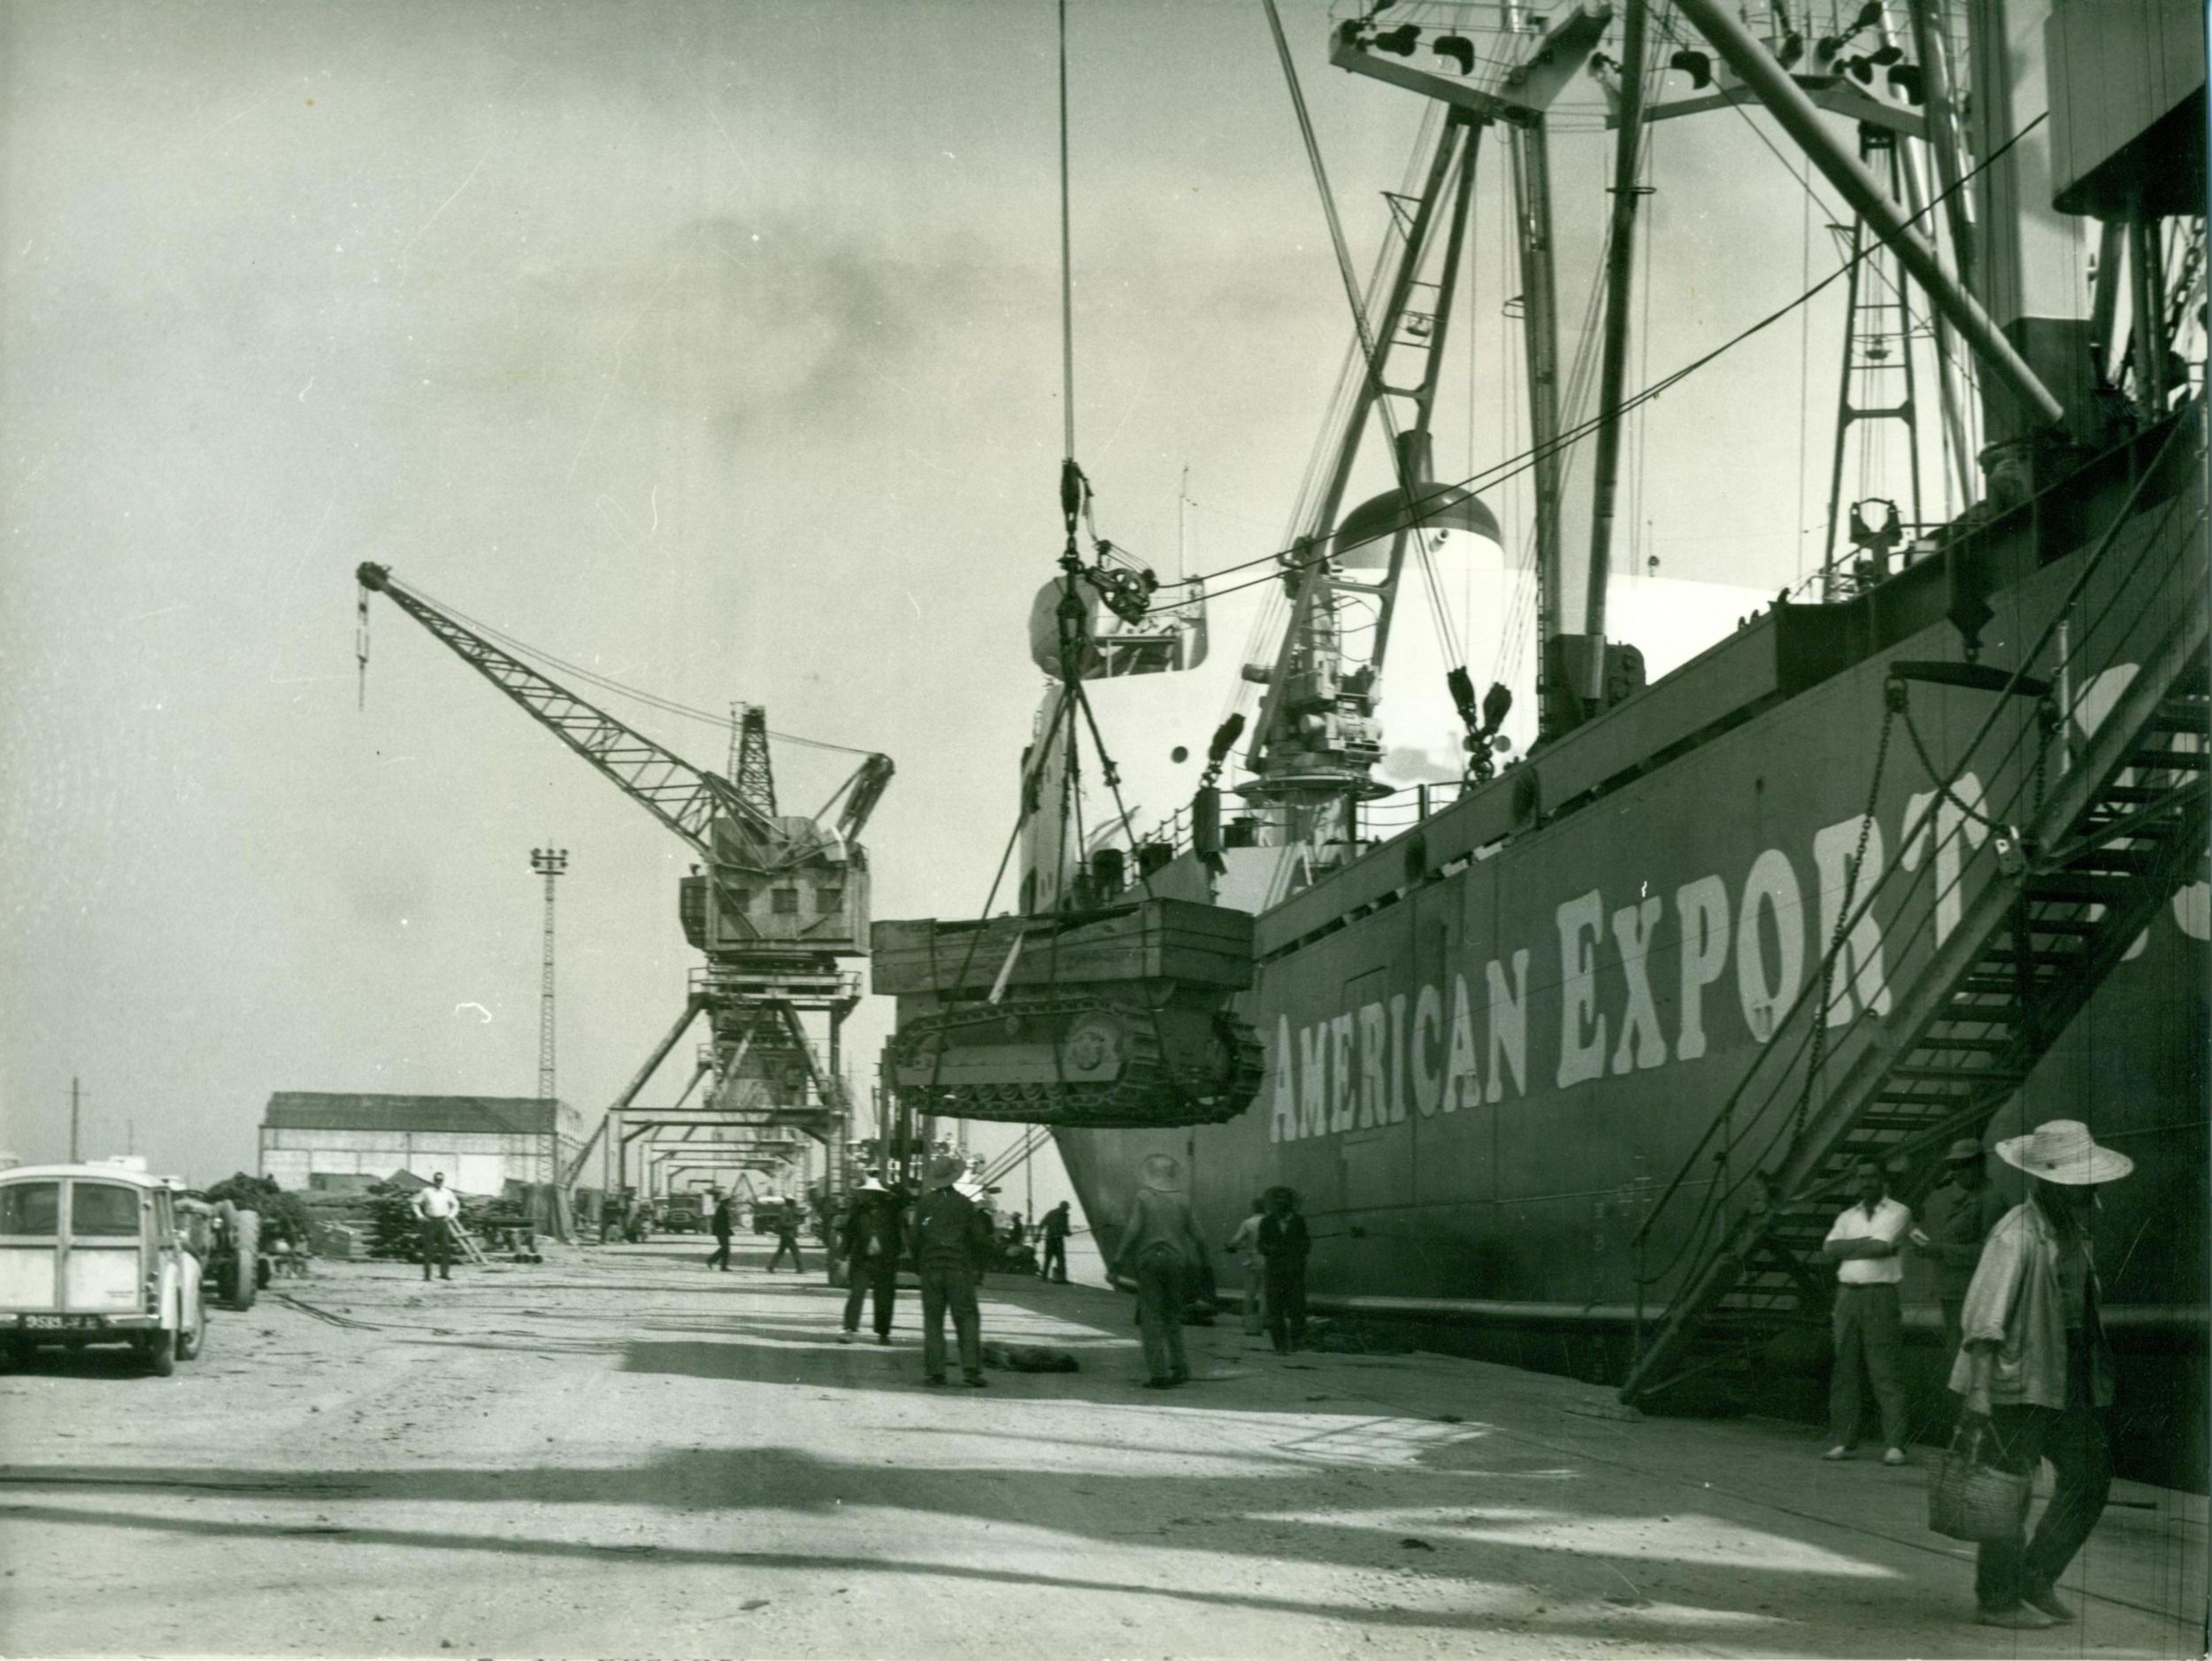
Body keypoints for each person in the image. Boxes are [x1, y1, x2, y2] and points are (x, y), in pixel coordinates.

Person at [1952, 1119, 2131, 1631]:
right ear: (2051, 1182)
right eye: (2081, 1181)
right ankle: (1997, 1601)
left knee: (2090, 1479)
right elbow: (1984, 1320)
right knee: (2008, 1491)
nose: (2091, 1189)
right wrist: (1980, 1394)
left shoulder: (2072, 1229)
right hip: (2016, 1382)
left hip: (2066, 1376)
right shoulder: (2015, 1235)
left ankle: (2034, 1577)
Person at [1819, 1158, 1912, 1465]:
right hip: (1847, 1297)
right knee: (1844, 1370)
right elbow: (1829, 1248)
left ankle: (1895, 1444)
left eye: (1872, 1177)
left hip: (1879, 1295)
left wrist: (1854, 1246)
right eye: (1861, 1178)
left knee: (1885, 1370)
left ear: (1883, 1180)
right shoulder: (1847, 1215)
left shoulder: (1899, 1211)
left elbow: (1882, 1247)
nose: (1866, 1183)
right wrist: (1866, 1244)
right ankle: (1843, 1441)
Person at [1112, 1153, 1212, 1388]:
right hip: (1178, 1261)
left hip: (1150, 1260)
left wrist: (1117, 1259)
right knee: (1173, 1315)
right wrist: (1205, 1264)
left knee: (1151, 1316)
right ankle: (1181, 1368)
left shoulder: (1144, 1196)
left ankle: (1158, 1373)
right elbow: (1199, 1236)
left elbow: (1133, 1230)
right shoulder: (1183, 1200)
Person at [1911, 1137, 2003, 1365]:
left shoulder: (1991, 1200)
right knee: (1958, 1360)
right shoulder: (1970, 1198)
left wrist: (1940, 1250)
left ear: (1979, 1165)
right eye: (1953, 1166)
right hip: (1955, 1294)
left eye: (1963, 1165)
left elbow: (1989, 1253)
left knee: (1966, 1363)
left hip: (1972, 1295)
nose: (1956, 1172)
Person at [909, 1155, 991, 1386]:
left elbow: (915, 1237)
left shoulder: (924, 1204)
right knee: (966, 1318)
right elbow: (979, 1239)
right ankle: (971, 1371)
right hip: (958, 1270)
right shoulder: (965, 1205)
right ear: (954, 1177)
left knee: (933, 1320)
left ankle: (935, 1372)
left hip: (931, 1269)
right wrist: (977, 1266)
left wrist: (919, 1264)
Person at [840, 1176, 901, 1345]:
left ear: (879, 1195)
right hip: (862, 1260)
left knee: (884, 1298)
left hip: (885, 1261)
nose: (871, 1198)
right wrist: (842, 1257)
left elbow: (905, 1196)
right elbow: (849, 1235)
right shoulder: (858, 1213)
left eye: (874, 1194)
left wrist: (890, 1189)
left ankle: (883, 1334)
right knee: (857, 1293)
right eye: (868, 1194)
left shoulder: (891, 1211)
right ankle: (849, 1329)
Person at [1257, 1186, 1310, 1354]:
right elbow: (1261, 1244)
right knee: (1275, 1309)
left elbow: (1307, 1243)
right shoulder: (1266, 1222)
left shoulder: (1299, 1220)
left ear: (1290, 1201)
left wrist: (1297, 1250)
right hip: (1274, 1272)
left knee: (1297, 1307)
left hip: (1295, 1271)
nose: (1281, 1201)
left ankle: (1296, 1341)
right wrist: (1270, 1249)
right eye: (1277, 1198)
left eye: (1285, 1198)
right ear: (1273, 1202)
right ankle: (1279, 1345)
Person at [1224, 1196, 1268, 1337]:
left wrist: (1230, 1246)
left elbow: (1235, 1241)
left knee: (1250, 1292)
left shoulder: (1248, 1223)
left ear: (1253, 1208)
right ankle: (1263, 1320)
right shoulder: (1270, 1222)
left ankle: (1248, 1321)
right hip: (1268, 1260)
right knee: (1265, 1293)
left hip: (1253, 1260)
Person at [411, 1173, 460, 1283]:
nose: (439, 1182)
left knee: (446, 1248)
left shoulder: (447, 1192)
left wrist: (451, 1216)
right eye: (437, 1180)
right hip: (430, 1221)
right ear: (433, 1180)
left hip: (443, 1221)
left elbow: (456, 1205)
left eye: (441, 1180)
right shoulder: (426, 1191)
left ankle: (444, 1274)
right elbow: (415, 1203)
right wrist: (420, 1216)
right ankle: (427, 1275)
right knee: (428, 1248)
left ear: (443, 1181)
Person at [766, 1197, 804, 1273]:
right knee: (795, 1251)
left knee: (780, 1251)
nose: (795, 1205)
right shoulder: (786, 1210)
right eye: (794, 1203)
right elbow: (783, 1223)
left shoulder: (786, 1209)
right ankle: (800, 1268)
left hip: (785, 1235)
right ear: (791, 1203)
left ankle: (771, 1266)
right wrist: (794, 1224)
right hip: (788, 1235)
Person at [1039, 1201, 1071, 1283]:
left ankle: (1061, 1278)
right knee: (1050, 1258)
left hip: (1057, 1239)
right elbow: (1042, 1224)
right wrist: (1038, 1235)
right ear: (1062, 1207)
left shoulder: (1064, 1215)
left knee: (1060, 1259)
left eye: (1067, 1209)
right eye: (1066, 1208)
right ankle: (1045, 1276)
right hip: (1051, 1239)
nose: (1067, 1210)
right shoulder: (1053, 1213)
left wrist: (1068, 1233)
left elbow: (1065, 1229)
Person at [706, 1188, 734, 1273]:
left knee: (726, 1249)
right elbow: (720, 1223)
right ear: (725, 1201)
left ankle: (723, 1266)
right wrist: (723, 1232)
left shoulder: (723, 1209)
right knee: (725, 1248)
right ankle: (711, 1260)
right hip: (722, 1232)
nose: (729, 1202)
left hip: (723, 1231)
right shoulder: (721, 1210)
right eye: (728, 1200)